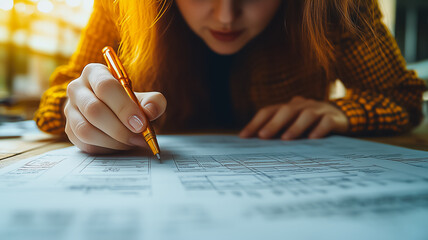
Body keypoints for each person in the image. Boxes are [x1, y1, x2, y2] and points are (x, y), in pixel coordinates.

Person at [34, 0, 426, 154]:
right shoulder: (124, 5)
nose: (226, 15)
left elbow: (404, 98)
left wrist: (344, 114)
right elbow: (55, 100)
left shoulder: (335, 7)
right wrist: (80, 107)